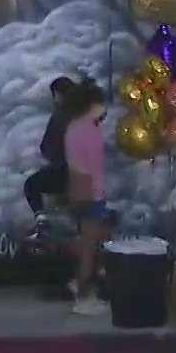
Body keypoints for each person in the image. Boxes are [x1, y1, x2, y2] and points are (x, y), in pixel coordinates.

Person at [64, 80, 112, 316]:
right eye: (101, 103)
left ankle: (83, 288)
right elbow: (96, 168)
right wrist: (100, 196)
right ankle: (83, 296)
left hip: (76, 190)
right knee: (89, 249)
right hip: (91, 192)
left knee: (89, 243)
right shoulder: (91, 131)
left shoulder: (73, 127)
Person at [24, 76, 79, 222]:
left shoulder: (61, 116)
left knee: (31, 185)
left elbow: (48, 145)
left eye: (55, 95)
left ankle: (42, 221)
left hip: (65, 168)